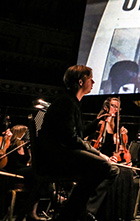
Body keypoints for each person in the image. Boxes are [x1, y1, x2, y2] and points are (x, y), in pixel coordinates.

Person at [37, 65, 118, 221]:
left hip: (60, 154)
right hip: (56, 158)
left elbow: (79, 134)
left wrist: (98, 121)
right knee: (104, 166)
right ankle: (73, 212)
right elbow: (71, 139)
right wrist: (100, 154)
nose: (93, 82)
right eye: (90, 78)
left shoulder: (71, 102)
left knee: (109, 168)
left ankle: (75, 210)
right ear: (81, 82)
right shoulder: (66, 103)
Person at [93, 97, 130, 163]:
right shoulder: (100, 122)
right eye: (113, 106)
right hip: (100, 156)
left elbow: (123, 144)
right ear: (106, 107)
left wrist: (124, 132)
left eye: (117, 107)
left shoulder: (118, 124)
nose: (115, 109)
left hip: (114, 157)